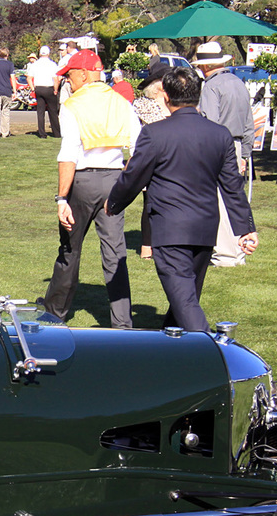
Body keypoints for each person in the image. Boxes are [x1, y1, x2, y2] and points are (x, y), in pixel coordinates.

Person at [104, 67, 258, 332]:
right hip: (205, 227)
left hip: (171, 228)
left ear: (166, 97)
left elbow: (134, 176)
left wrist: (114, 202)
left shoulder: (155, 133)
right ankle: (175, 349)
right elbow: (233, 186)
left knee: (185, 301)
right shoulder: (220, 134)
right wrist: (245, 229)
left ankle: (213, 353)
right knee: (185, 298)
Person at [39, 49, 141, 328]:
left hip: (82, 183)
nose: (68, 82)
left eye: (70, 75)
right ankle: (122, 322)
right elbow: (139, 149)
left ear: (84, 74)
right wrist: (128, 181)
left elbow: (68, 155)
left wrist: (61, 198)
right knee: (115, 252)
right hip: (114, 181)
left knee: (70, 248)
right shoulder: (122, 103)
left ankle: (55, 312)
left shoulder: (73, 105)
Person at [196, 41, 255, 267]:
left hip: (219, 146)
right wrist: (245, 154)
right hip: (238, 144)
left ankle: (225, 254)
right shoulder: (238, 82)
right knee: (234, 197)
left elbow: (211, 123)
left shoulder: (211, 87)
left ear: (205, 66)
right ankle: (238, 249)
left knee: (219, 200)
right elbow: (249, 122)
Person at [131, 63, 173, 261]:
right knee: (151, 203)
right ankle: (147, 246)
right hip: (151, 158)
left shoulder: (176, 103)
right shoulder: (142, 105)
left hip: (174, 158)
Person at [28, 45, 60, 138]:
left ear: (39, 53)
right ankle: (56, 133)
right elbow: (56, 79)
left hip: (39, 88)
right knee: (53, 111)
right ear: (49, 53)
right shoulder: (52, 64)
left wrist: (32, 88)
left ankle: (42, 133)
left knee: (40, 112)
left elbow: (29, 78)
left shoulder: (35, 64)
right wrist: (56, 89)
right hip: (49, 88)